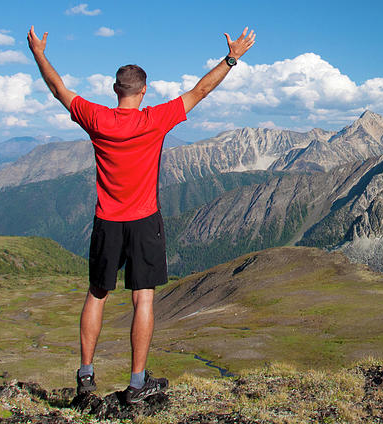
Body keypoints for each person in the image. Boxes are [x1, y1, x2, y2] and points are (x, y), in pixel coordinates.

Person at [27, 25, 255, 403]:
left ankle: (86, 378)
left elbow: (58, 89)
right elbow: (200, 90)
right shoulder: (156, 118)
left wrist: (38, 52)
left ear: (115, 90)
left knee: (96, 295)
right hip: (144, 220)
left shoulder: (96, 118)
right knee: (143, 300)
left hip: (106, 220)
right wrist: (232, 58)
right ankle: (137, 384)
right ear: (143, 90)